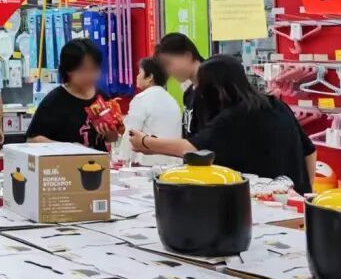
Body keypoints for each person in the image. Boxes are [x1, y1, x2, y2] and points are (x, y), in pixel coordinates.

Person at [128, 55, 316, 193]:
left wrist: (145, 142)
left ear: (214, 87)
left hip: (263, 200)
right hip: (292, 198)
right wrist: (306, 191)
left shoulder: (234, 116)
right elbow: (309, 151)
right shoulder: (275, 104)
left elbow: (192, 149)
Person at [25, 38, 120, 151]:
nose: (92, 75)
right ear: (69, 70)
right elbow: (32, 140)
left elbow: (112, 138)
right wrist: (68, 148)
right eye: (85, 70)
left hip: (98, 161)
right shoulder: (55, 101)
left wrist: (110, 132)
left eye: (95, 69)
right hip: (66, 161)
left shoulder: (102, 97)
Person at [114, 57, 182, 166]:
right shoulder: (173, 101)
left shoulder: (141, 98)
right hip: (174, 163)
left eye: (140, 72)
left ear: (150, 77)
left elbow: (131, 133)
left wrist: (121, 160)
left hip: (147, 164)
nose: (137, 76)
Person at [155, 32, 207, 136]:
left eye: (168, 63)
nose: (168, 71)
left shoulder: (211, 91)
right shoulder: (189, 94)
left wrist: (148, 142)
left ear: (187, 56)